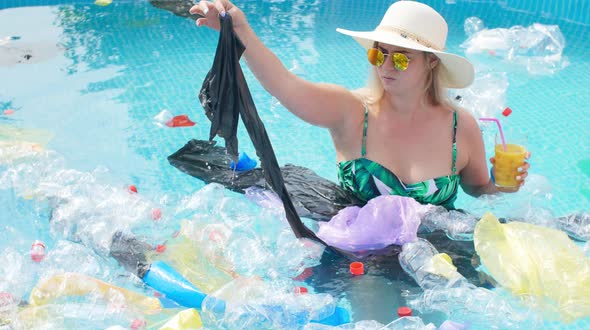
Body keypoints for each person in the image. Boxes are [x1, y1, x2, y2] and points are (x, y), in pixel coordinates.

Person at [189, 0, 530, 210]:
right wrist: (241, 31)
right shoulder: (351, 111)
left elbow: (477, 188)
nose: (384, 66)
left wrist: (502, 186)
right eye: (378, 53)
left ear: (430, 63)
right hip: (359, 260)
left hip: (437, 260)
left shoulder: (461, 126)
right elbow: (286, 86)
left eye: (400, 59)